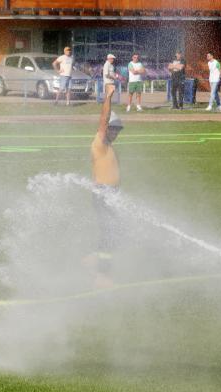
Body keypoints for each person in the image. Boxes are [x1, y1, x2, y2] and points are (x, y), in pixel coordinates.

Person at [90, 83, 123, 279]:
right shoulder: (100, 142)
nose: (116, 133)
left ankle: (95, 260)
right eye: (114, 130)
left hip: (111, 194)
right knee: (110, 232)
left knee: (113, 231)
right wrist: (108, 97)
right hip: (103, 194)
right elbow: (104, 119)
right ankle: (102, 274)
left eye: (118, 131)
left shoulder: (108, 147)